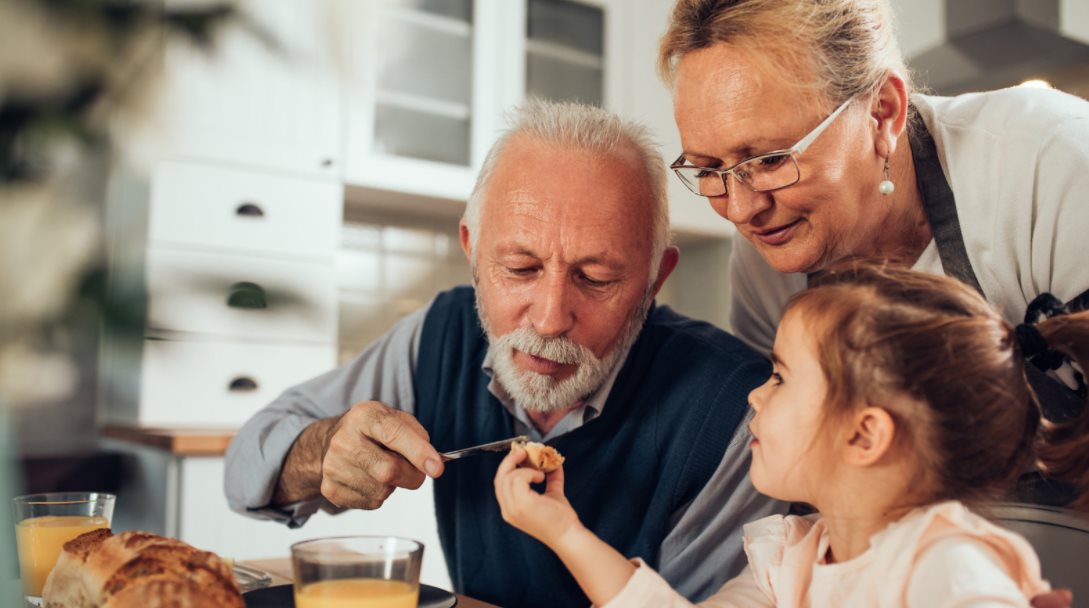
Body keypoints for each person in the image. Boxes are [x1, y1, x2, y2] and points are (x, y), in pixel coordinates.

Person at [223, 100, 783, 607]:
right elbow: (245, 469)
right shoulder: (439, 336)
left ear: (654, 280)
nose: (548, 318)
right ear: (471, 249)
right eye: (520, 269)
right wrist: (322, 450)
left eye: (595, 279)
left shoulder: (736, 413)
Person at [495, 261, 1089, 607]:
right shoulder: (794, 556)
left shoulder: (948, 573)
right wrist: (563, 531)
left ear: (864, 435)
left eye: (780, 377)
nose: (755, 393)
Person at [657, 0, 1089, 429]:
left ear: (882, 112)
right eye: (711, 170)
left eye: (771, 160)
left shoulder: (1051, 162)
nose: (741, 210)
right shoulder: (765, 263)